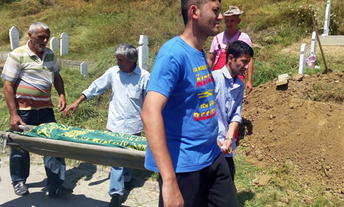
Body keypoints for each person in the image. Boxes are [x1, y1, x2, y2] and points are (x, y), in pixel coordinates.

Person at [141, 0, 239, 206]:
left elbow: (195, 106)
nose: (220, 17)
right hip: (184, 168)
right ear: (194, 12)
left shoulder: (199, 53)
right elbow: (150, 113)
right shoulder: (173, 54)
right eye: (215, 11)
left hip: (212, 155)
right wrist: (168, 181)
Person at [63, 43, 150, 207]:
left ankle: (127, 180)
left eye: (121, 60)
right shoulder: (113, 73)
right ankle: (116, 193)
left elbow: (151, 102)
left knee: (129, 157)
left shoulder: (144, 77)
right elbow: (96, 87)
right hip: (115, 125)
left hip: (134, 125)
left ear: (132, 61)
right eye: (117, 59)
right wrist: (77, 101)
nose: (118, 63)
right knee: (116, 159)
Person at [1, 22, 72, 197]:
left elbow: (57, 76)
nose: (45, 40)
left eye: (47, 37)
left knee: (53, 147)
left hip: (46, 110)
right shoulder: (17, 55)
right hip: (24, 111)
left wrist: (61, 94)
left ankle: (55, 185)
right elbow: (8, 86)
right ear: (30, 35)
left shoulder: (49, 55)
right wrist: (13, 114)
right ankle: (18, 181)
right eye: (41, 37)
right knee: (19, 147)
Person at [213, 40, 253, 181]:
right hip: (210, 144)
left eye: (248, 62)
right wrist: (215, 141)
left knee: (229, 176)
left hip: (225, 144)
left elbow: (236, 115)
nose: (247, 66)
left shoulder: (240, 85)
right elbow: (202, 114)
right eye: (243, 61)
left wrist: (229, 138)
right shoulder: (214, 78)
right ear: (231, 58)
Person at [207, 5, 254, 94]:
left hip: (236, 79)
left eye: (232, 21)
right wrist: (205, 77)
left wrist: (249, 81)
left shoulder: (244, 38)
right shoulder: (217, 38)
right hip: (218, 79)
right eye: (227, 21)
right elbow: (210, 59)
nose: (229, 24)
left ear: (238, 21)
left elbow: (249, 60)